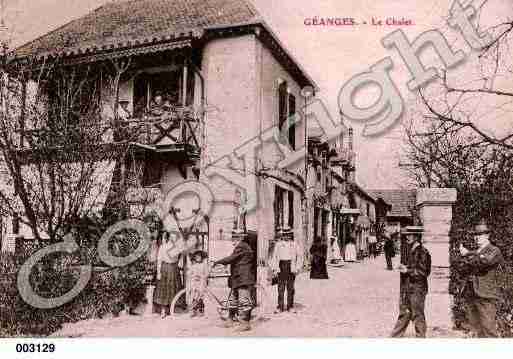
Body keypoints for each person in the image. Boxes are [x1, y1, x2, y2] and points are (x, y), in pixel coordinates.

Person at [455, 220, 504, 337]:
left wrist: (467, 254)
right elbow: (461, 268)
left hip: (485, 294)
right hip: (471, 293)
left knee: (488, 329)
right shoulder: (475, 252)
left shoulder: (494, 250)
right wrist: (469, 258)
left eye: (480, 235)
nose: (476, 238)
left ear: (487, 235)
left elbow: (485, 261)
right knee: (476, 329)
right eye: (475, 235)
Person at [390, 229, 431, 338]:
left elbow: (424, 272)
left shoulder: (422, 252)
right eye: (406, 235)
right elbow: (415, 268)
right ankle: (394, 338)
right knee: (405, 313)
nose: (407, 237)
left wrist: (407, 270)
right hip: (409, 288)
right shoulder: (411, 249)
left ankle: (421, 338)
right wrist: (405, 267)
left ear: (416, 237)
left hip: (417, 289)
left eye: (410, 235)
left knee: (417, 315)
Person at [213, 233, 255, 332]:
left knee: (243, 301)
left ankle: (245, 323)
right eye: (233, 239)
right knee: (233, 300)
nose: (233, 241)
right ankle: (230, 320)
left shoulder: (242, 246)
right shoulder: (242, 247)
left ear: (241, 238)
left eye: (235, 239)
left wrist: (218, 262)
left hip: (243, 277)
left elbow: (231, 258)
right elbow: (234, 259)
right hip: (237, 278)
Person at [153, 230, 185, 318]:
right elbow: (159, 260)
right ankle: (163, 310)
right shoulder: (163, 247)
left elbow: (181, 255)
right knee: (163, 289)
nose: (173, 238)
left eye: (175, 237)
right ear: (168, 237)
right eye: (171, 236)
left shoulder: (177, 248)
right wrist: (158, 272)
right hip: (165, 268)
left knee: (173, 288)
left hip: (174, 268)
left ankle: (171, 309)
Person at [270, 229, 302, 313]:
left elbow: (299, 256)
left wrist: (298, 268)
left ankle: (290, 306)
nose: (286, 236)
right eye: (285, 234)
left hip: (291, 266)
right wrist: (274, 269)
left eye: (288, 234)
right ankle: (280, 306)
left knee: (290, 288)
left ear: (290, 235)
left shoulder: (294, 244)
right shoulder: (279, 244)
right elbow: (274, 257)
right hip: (281, 266)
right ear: (282, 235)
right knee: (281, 287)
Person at [188, 249, 209, 318]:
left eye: (199, 257)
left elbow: (206, 274)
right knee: (194, 297)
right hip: (194, 282)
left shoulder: (204, 265)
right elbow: (189, 273)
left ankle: (201, 311)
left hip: (201, 282)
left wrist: (202, 276)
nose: (198, 258)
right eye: (196, 257)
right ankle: (193, 311)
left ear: (202, 257)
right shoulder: (193, 265)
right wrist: (193, 276)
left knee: (200, 297)